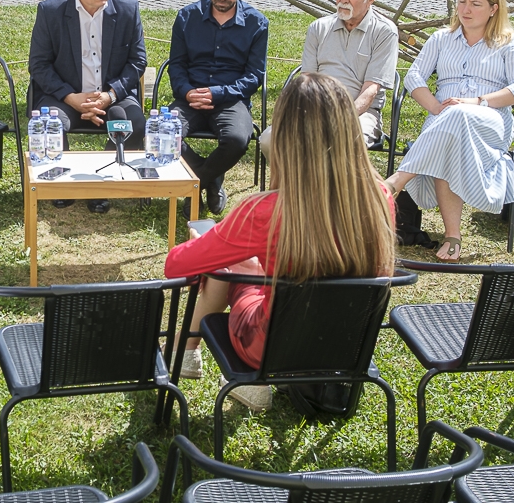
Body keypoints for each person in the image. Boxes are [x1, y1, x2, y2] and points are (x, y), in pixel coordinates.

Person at [164, 72, 395, 411]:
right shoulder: (381, 198)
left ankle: (198, 357)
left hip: (270, 348)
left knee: (229, 261)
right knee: (249, 264)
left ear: (284, 136)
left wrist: (208, 242)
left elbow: (176, 266)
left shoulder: (263, 211)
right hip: (347, 345)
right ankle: (187, 352)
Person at [383, 0, 514, 263]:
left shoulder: (509, 43)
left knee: (458, 115)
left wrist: (477, 101)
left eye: (476, 4)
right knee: (451, 130)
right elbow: (414, 76)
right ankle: (452, 236)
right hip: (443, 118)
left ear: (494, 8)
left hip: (490, 120)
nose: (466, 9)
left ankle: (397, 180)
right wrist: (435, 107)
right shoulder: (442, 39)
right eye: (462, 1)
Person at [29, 0, 148, 215]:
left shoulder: (128, 10)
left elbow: (138, 61)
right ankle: (63, 183)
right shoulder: (50, 11)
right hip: (66, 96)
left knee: (135, 123)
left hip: (112, 95)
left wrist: (110, 95)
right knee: (49, 124)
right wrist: (71, 97)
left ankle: (99, 184)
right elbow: (39, 65)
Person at [167, 0, 269, 215]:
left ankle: (195, 184)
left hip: (230, 99)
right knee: (162, 133)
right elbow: (176, 66)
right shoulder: (186, 17)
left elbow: (254, 75)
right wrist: (187, 92)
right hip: (190, 97)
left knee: (237, 139)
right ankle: (211, 177)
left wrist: (217, 93)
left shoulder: (257, 23)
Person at [300, 0, 399, 146]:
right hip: (316, 108)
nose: (343, 0)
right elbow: (307, 80)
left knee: (343, 141)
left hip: (361, 113)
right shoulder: (319, 27)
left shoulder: (384, 32)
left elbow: (371, 90)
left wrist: (340, 116)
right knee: (270, 139)